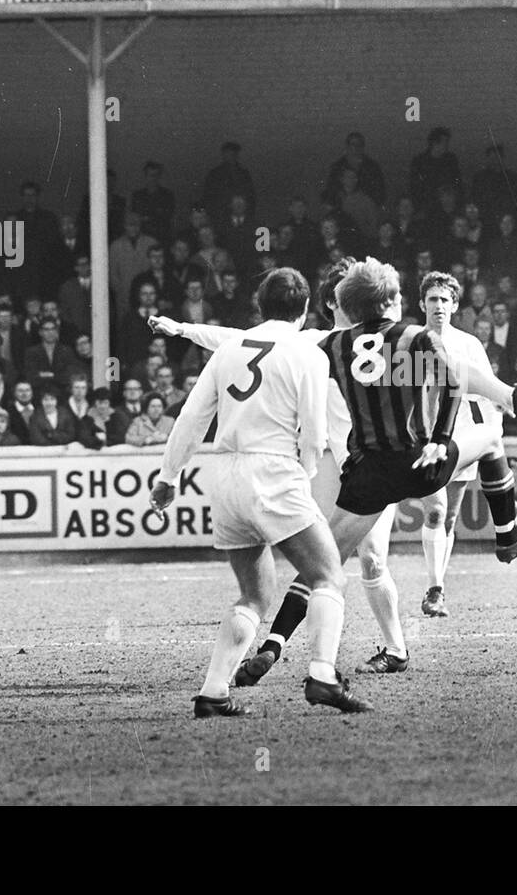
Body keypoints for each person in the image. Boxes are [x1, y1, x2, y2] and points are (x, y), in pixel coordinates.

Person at [151, 258, 517, 686]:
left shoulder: (327, 347)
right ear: (391, 301)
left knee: (330, 567)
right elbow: (456, 375)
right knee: (488, 439)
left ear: (347, 304)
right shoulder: (403, 341)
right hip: (408, 463)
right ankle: (506, 534)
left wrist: (186, 331)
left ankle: (288, 648)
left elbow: (250, 343)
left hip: (362, 474)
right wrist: (448, 431)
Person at [150, 268, 372, 716]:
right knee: (329, 576)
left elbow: (193, 417)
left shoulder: (230, 349)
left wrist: (168, 476)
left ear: (259, 304)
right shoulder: (309, 353)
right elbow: (314, 433)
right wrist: (305, 477)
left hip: (227, 475)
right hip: (274, 470)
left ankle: (213, 693)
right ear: (307, 307)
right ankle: (323, 677)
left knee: (254, 595)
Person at [415, 272, 500, 619]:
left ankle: (437, 588)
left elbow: (487, 391)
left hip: (460, 439)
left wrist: (490, 431)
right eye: (432, 299)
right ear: (422, 304)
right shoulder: (409, 342)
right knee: (434, 511)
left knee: (448, 518)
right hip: (421, 441)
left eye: (444, 300)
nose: (438, 306)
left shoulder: (469, 344)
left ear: (454, 305)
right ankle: (435, 588)